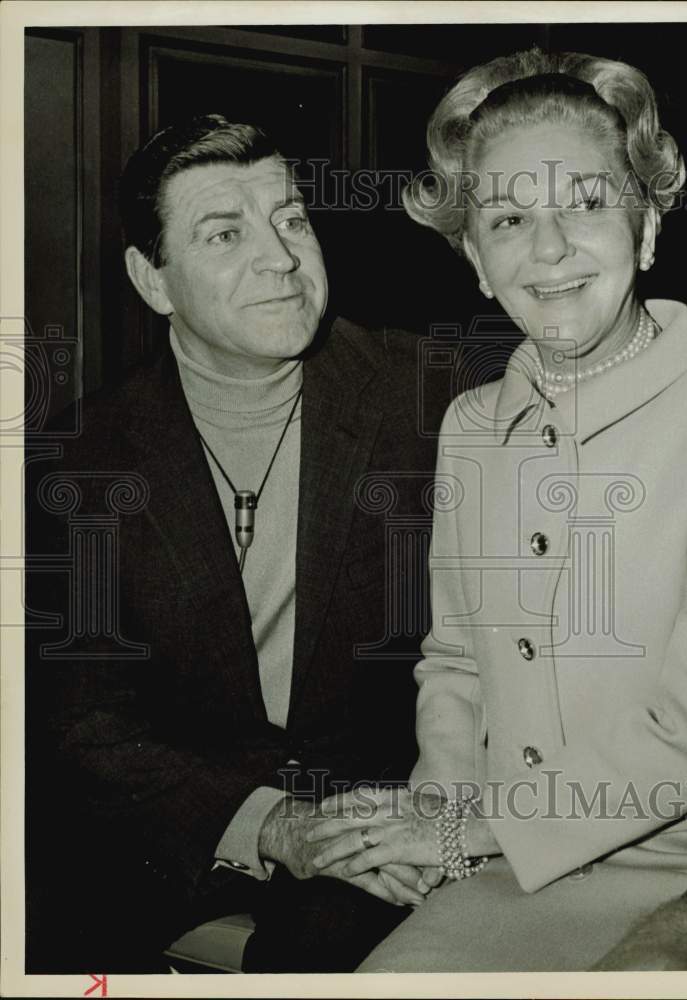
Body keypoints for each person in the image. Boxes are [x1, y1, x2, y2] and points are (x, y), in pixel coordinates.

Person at [301, 48, 687, 971]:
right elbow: (455, 663)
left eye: (588, 205)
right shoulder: (474, 426)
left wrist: (465, 834)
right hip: (509, 857)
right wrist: (439, 811)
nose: (549, 248)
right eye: (510, 218)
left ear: (645, 229)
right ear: (475, 259)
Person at [24, 114, 451, 973]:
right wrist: (270, 822)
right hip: (173, 832)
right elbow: (82, 725)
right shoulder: (80, 457)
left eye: (291, 219)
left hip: (384, 825)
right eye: (225, 232)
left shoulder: (436, 395)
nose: (281, 258)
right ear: (153, 280)